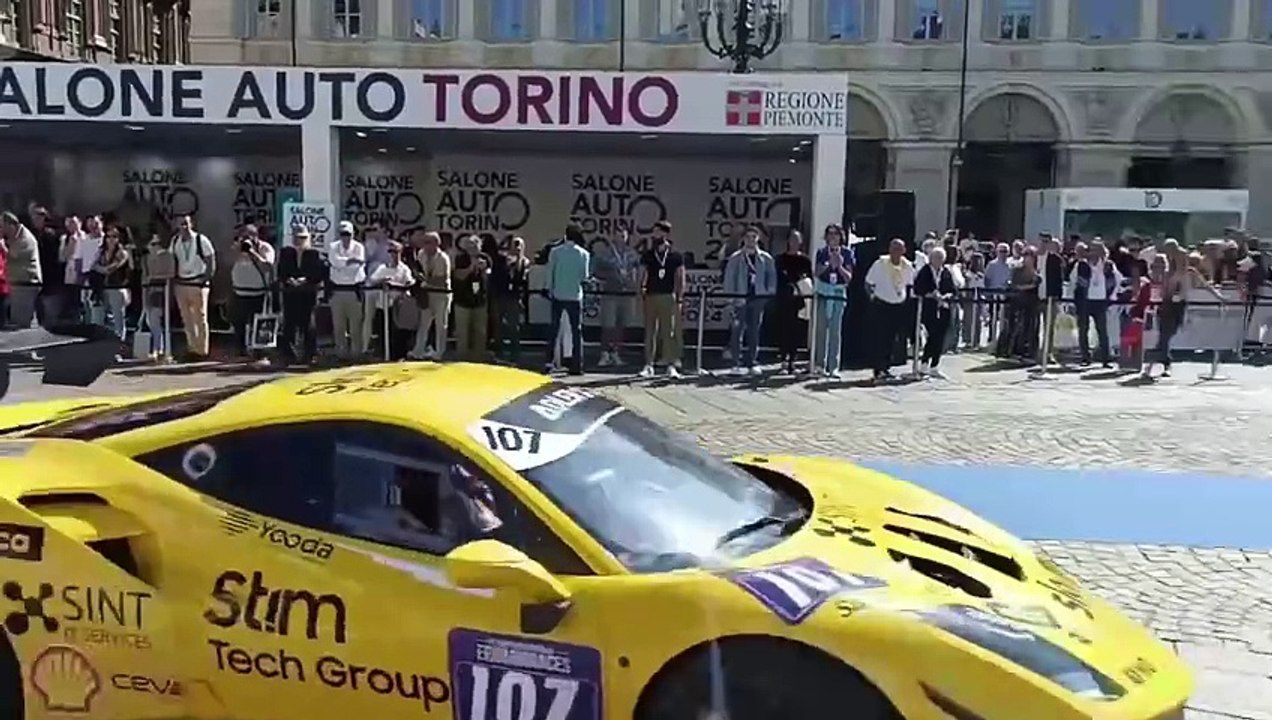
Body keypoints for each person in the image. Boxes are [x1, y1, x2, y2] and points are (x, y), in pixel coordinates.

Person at [723, 224, 776, 375]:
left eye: (754, 237)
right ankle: (735, 362)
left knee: (754, 331)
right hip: (740, 298)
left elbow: (771, 278)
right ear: (743, 239)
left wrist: (767, 294)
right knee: (737, 330)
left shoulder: (766, 258)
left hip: (757, 298)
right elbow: (729, 279)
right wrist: (730, 299)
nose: (751, 240)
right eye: (748, 237)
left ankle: (752, 361)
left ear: (758, 238)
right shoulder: (735, 258)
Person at [864, 238, 915, 383]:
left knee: (893, 339)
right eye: (893, 248)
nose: (896, 252)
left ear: (904, 251)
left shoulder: (907, 266)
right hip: (882, 305)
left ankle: (886, 367)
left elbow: (911, 284)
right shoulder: (880, 263)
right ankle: (878, 369)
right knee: (880, 337)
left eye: (899, 249)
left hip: (898, 306)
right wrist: (871, 297)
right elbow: (868, 283)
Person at [638, 220, 684, 378]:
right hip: (651, 295)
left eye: (658, 232)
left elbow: (680, 277)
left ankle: (671, 364)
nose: (655, 235)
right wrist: (640, 292)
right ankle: (648, 364)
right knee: (650, 331)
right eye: (654, 232)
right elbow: (642, 274)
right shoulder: (648, 254)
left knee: (668, 331)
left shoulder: (675, 255)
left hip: (668, 296)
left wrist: (679, 297)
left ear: (665, 234)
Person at [546, 224, 591, 375]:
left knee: (554, 329)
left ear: (565, 236)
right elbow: (584, 277)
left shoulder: (555, 252)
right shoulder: (584, 254)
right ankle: (577, 365)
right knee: (576, 331)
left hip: (558, 294)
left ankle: (549, 362)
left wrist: (549, 289)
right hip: (575, 295)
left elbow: (550, 273)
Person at [1069, 240, 1122, 368]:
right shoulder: (1081, 265)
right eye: (1092, 250)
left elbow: (1118, 280)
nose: (1094, 253)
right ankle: (1085, 357)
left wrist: (1112, 296)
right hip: (1085, 301)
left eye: (1098, 250)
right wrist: (1071, 300)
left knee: (1102, 331)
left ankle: (1105, 359)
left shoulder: (1109, 265)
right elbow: (1072, 282)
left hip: (1101, 301)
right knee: (1083, 330)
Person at [170, 215, 216, 361]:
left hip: (198, 283)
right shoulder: (175, 241)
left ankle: (202, 350)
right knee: (186, 318)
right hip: (182, 283)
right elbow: (172, 260)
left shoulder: (201, 240)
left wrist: (205, 279)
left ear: (192, 224)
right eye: (181, 224)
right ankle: (192, 348)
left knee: (200, 317)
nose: (184, 227)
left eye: (186, 224)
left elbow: (211, 260)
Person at [277, 226, 325, 366]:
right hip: (290, 294)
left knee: (308, 325)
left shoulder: (314, 254)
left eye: (303, 238)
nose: (300, 240)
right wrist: (289, 279)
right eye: (297, 237)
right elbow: (281, 271)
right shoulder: (286, 252)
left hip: (307, 294)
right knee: (289, 325)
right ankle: (289, 354)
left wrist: (306, 280)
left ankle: (310, 354)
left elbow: (318, 274)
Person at [594, 228, 640, 367]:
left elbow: (638, 270)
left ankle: (615, 353)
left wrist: (633, 282)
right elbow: (596, 271)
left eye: (624, 236)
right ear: (613, 237)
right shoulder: (605, 253)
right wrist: (610, 276)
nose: (622, 238)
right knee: (608, 325)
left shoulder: (632, 254)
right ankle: (604, 354)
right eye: (619, 235)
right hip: (610, 293)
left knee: (621, 326)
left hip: (626, 294)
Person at [230, 224, 276, 361]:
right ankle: (240, 352)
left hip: (258, 293)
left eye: (248, 236)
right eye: (242, 236)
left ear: (256, 236)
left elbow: (267, 266)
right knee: (239, 324)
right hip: (239, 292)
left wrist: (252, 252)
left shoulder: (265, 248)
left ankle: (259, 354)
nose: (245, 239)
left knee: (259, 325)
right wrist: (239, 248)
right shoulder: (237, 248)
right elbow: (229, 260)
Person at [366, 240, 415, 360]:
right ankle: (383, 354)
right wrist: (382, 281)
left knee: (398, 332)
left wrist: (398, 285)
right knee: (383, 331)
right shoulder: (383, 268)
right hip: (383, 305)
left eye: (396, 252)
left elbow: (410, 282)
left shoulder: (404, 269)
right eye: (391, 252)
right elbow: (372, 280)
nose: (393, 254)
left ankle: (398, 355)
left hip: (398, 305)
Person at [914, 246, 958, 379]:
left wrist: (947, 295)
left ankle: (935, 365)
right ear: (931, 258)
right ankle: (924, 363)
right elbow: (918, 288)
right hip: (929, 308)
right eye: (936, 258)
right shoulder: (925, 271)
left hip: (944, 307)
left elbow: (953, 289)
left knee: (941, 336)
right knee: (933, 335)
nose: (938, 261)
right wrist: (931, 294)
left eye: (941, 258)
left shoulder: (946, 272)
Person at [326, 220, 366, 362]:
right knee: (339, 326)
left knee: (355, 325)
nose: (346, 237)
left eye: (348, 234)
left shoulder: (359, 247)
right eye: (343, 234)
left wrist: (344, 264)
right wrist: (349, 261)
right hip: (337, 290)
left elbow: (357, 266)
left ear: (353, 234)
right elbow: (335, 262)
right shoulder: (333, 247)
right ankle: (341, 354)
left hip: (354, 290)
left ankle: (356, 354)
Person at [408, 231, 452, 360]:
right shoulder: (421, 254)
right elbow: (418, 271)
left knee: (441, 324)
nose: (425, 245)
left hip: (441, 294)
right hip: (426, 293)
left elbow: (442, 279)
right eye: (424, 242)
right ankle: (418, 351)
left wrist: (426, 279)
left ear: (436, 243)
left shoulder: (443, 258)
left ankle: (439, 352)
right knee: (423, 323)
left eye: (428, 242)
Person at [774, 230, 812, 374]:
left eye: (797, 239)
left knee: (797, 330)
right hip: (784, 299)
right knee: (783, 329)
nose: (794, 242)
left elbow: (809, 279)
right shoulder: (780, 259)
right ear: (788, 241)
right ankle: (783, 359)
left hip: (799, 301)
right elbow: (778, 279)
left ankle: (793, 360)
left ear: (801, 241)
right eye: (792, 239)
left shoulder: (805, 260)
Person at [996, 247, 1041, 363]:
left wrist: (1032, 283)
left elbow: (1038, 285)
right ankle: (1010, 351)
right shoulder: (1017, 270)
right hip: (1017, 302)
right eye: (1025, 255)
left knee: (1030, 328)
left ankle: (1029, 353)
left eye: (1030, 256)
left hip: (1031, 304)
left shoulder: (1037, 272)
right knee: (1014, 327)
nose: (1027, 258)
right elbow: (1015, 285)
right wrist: (1028, 286)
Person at [89, 224, 133, 342]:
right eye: (108, 237)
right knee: (100, 316)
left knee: (118, 318)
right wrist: (99, 268)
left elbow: (111, 268)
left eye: (114, 236)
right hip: (102, 288)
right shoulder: (101, 252)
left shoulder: (122, 253)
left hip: (117, 287)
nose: (111, 239)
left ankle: (120, 341)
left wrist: (100, 268)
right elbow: (92, 265)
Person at [490, 236, 530, 364]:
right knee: (498, 326)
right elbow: (495, 277)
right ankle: (499, 352)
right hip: (501, 295)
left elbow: (524, 281)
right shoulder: (502, 260)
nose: (517, 248)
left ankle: (515, 354)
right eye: (515, 245)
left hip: (514, 297)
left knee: (513, 327)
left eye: (519, 245)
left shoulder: (525, 262)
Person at [452, 235, 491, 362]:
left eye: (475, 245)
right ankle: (461, 360)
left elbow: (490, 276)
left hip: (480, 301)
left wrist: (484, 269)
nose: (472, 248)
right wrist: (471, 267)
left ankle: (478, 359)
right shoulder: (460, 258)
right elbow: (458, 276)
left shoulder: (485, 258)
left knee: (480, 333)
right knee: (462, 333)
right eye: (470, 245)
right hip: (463, 301)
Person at [813, 242, 850, 378]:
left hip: (838, 294)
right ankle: (819, 364)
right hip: (823, 292)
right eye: (830, 234)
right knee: (821, 329)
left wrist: (839, 266)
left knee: (835, 331)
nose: (833, 237)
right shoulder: (822, 252)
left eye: (836, 234)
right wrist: (828, 263)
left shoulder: (847, 253)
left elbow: (848, 278)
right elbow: (817, 272)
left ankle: (833, 366)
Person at [0, 211, 42, 329]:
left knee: (20, 322)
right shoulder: (13, 237)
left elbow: (14, 255)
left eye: (2, 226)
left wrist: (2, 245)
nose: (1, 229)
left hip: (27, 283)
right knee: (14, 319)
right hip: (16, 283)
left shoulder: (25, 238)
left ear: (10, 225)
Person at [141, 231, 176, 361]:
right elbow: (144, 277)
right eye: (152, 244)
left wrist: (153, 277)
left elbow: (170, 274)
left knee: (156, 320)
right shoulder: (146, 258)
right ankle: (158, 348)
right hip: (148, 292)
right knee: (150, 321)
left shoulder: (167, 256)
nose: (154, 246)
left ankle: (158, 349)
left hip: (161, 292)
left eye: (156, 243)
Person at [359, 221, 391, 354]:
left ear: (384, 231)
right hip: (370, 285)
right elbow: (364, 260)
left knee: (385, 317)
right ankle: (365, 347)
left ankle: (385, 347)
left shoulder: (391, 246)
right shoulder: (368, 245)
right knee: (368, 317)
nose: (373, 232)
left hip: (385, 286)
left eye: (376, 229)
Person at [29, 206, 62, 325]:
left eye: (39, 217)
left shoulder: (50, 235)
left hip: (49, 274)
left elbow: (53, 256)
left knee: (49, 304)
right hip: (37, 273)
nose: (36, 220)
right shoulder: (32, 234)